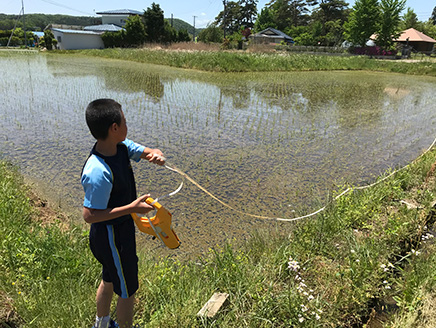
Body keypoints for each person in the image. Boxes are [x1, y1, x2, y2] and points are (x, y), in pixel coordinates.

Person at [81, 99, 165, 328]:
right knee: (127, 290)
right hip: (111, 236)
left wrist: (153, 153)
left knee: (109, 278)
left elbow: (140, 150)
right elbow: (89, 215)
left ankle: (102, 324)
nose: (128, 125)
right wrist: (132, 208)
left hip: (116, 233)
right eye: (125, 121)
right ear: (114, 128)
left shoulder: (119, 146)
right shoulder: (98, 170)